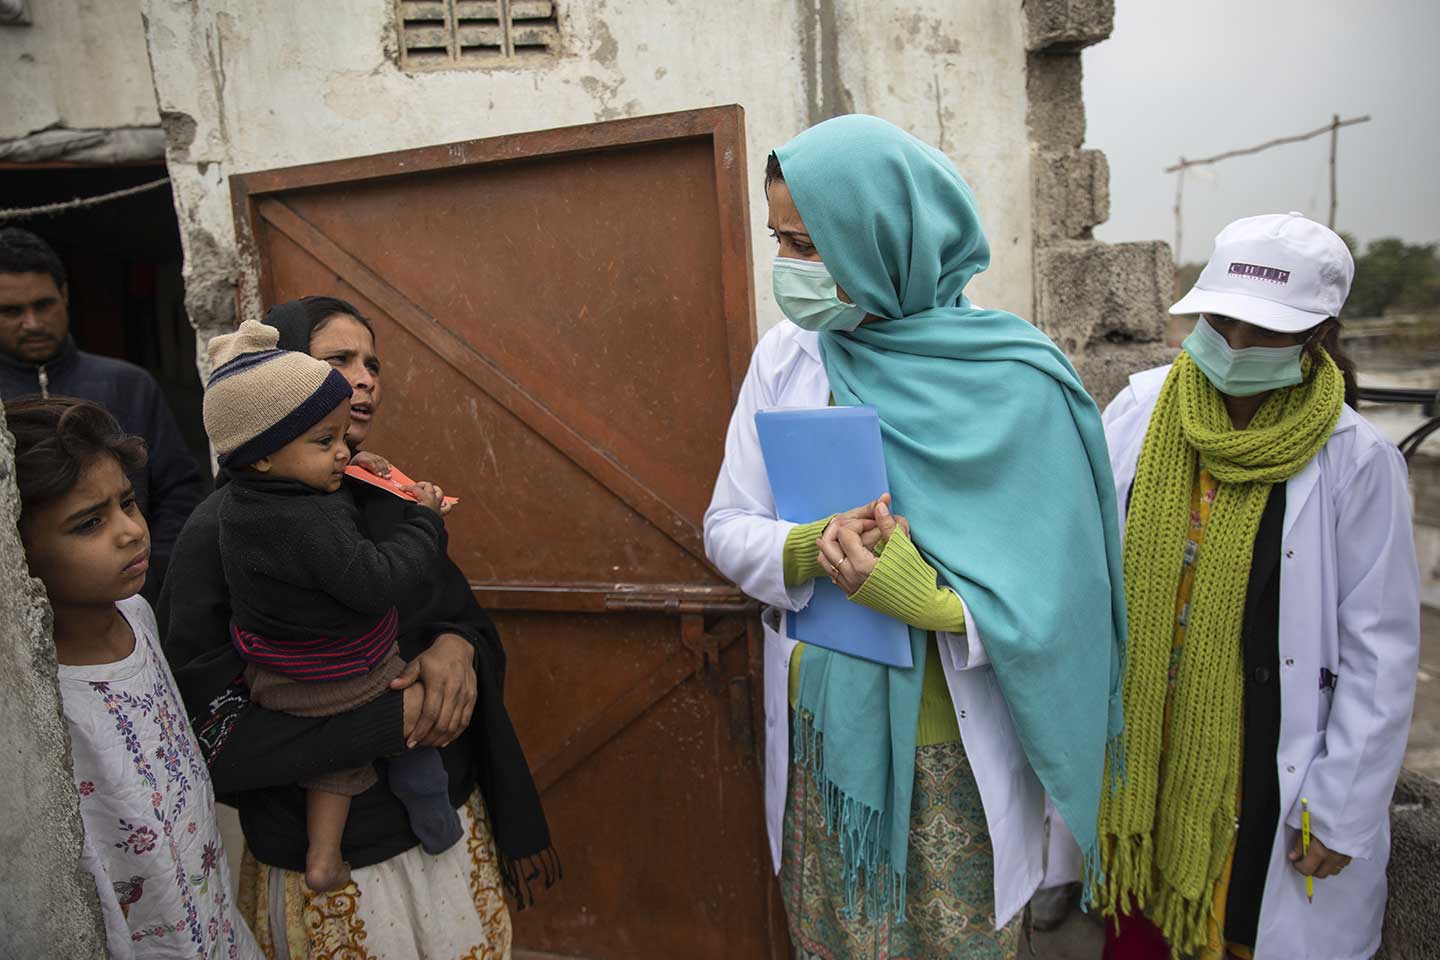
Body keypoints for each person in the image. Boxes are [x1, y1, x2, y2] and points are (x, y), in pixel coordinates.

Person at [703, 115, 1127, 959]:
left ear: (885, 239)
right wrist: (804, 546)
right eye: (780, 240)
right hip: (831, 746)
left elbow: (1066, 593)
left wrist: (930, 602)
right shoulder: (788, 357)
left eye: (811, 245)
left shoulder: (1016, 379)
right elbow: (726, 525)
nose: (789, 268)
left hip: (959, 761)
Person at [159, 297, 555, 958]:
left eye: (373, 362)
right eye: (338, 360)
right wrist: (378, 724)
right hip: (337, 871)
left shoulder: (383, 491)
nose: (365, 377)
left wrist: (459, 649)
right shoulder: (223, 533)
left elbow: (456, 614)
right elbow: (208, 727)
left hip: (445, 829)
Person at [1095, 213, 1419, 960]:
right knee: (1141, 932)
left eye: (1265, 331)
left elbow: (1381, 650)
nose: (1236, 346)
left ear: (1318, 333)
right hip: (1147, 756)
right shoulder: (1143, 411)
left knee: (1239, 929)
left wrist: (1341, 811)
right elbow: (1086, 566)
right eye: (1222, 319)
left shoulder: (1356, 461)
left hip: (1265, 770)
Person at [201, 319, 463, 893]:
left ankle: (323, 856)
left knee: (334, 767)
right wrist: (423, 523)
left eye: (344, 438)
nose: (343, 451)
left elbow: (304, 513)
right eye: (327, 441)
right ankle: (439, 822)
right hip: (342, 675)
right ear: (261, 454)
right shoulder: (306, 520)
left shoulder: (247, 501)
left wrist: (346, 467)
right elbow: (373, 580)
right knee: (413, 726)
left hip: (278, 674)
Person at [8, 395, 261, 959]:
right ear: (18, 551)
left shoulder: (138, 616)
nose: (129, 532)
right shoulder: (37, 692)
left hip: (210, 917)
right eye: (89, 523)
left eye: (128, 503)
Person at [0, 227, 205, 602]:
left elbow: (179, 489)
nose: (31, 323)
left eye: (43, 305)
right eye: (11, 311)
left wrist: (154, 573)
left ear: (64, 295)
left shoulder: (127, 384)